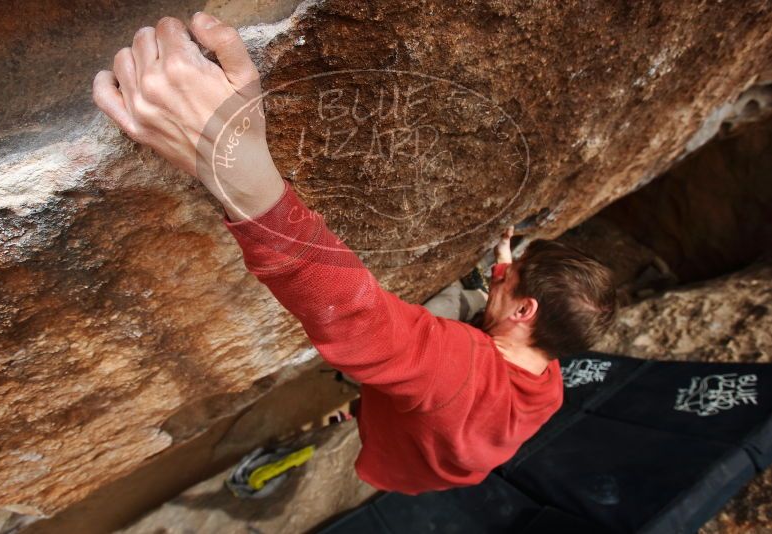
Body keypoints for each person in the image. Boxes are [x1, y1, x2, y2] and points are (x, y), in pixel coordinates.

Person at [92, 13, 617, 494]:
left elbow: (356, 318)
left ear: (527, 312)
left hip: (400, 454)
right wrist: (505, 264)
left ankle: (332, 435)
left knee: (375, 389)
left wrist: (241, 176)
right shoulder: (548, 384)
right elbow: (500, 317)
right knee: (436, 339)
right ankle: (356, 415)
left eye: (510, 279)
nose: (500, 276)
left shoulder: (453, 368)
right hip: (445, 455)